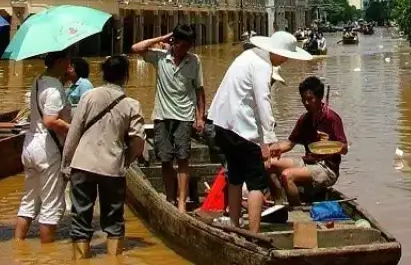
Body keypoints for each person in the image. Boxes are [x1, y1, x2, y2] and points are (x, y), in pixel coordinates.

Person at [206, 31, 312, 233]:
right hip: (239, 128)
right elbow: (263, 103)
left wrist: (263, 138)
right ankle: (253, 233)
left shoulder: (247, 56)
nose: (287, 60)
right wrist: (269, 142)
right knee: (256, 182)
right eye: (286, 56)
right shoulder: (262, 66)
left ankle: (235, 225)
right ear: (279, 53)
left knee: (236, 175)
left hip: (221, 124)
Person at [62, 55, 145, 259]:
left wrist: (66, 164)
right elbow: (138, 141)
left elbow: (74, 133)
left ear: (103, 74)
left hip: (82, 163)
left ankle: (80, 260)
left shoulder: (88, 96)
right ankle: (114, 259)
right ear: (126, 76)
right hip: (112, 167)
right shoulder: (131, 104)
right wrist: (126, 160)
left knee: (80, 217)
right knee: (114, 219)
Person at [131, 24, 205, 213]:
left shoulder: (194, 61)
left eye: (189, 45)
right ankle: (170, 198)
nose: (187, 49)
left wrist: (200, 117)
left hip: (184, 117)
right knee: (165, 159)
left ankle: (181, 202)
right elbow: (136, 48)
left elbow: (199, 91)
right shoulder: (160, 57)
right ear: (175, 42)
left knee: (182, 159)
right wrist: (164, 36)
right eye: (183, 45)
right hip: (162, 116)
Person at [15, 51, 72, 244]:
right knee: (51, 204)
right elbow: (50, 120)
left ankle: (18, 245)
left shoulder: (38, 80)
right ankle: (47, 255)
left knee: (29, 200)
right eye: (67, 60)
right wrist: (73, 129)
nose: (69, 64)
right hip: (48, 148)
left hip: (30, 143)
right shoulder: (54, 88)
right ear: (59, 62)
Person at [269, 76, 348, 207]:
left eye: (310, 99)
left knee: (287, 175)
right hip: (308, 162)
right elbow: (289, 144)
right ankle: (278, 203)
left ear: (319, 97)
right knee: (269, 164)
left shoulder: (331, 119)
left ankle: (298, 212)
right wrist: (271, 150)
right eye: (303, 99)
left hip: (326, 168)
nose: (306, 103)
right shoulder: (304, 120)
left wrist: (330, 143)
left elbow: (344, 149)